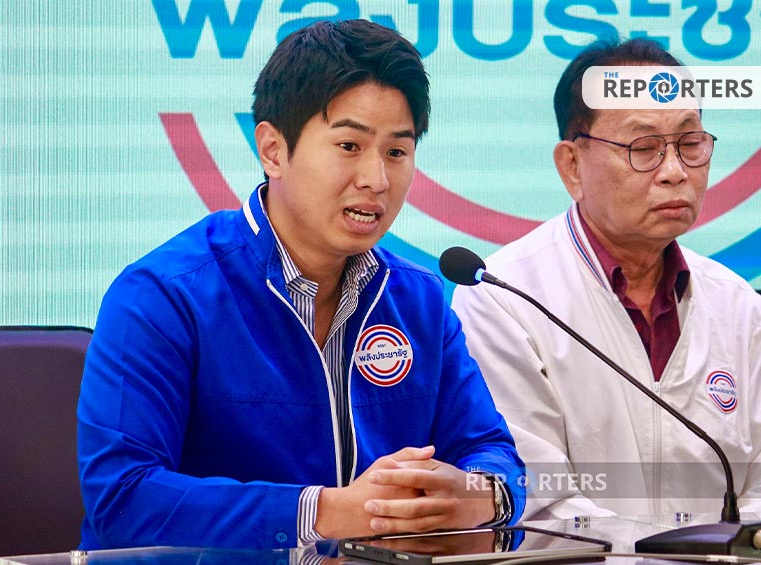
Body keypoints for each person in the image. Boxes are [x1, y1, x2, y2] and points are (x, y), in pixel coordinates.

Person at [78, 19, 525, 551]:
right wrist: (329, 514)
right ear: (273, 149)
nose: (376, 180)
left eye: (396, 152)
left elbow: (494, 452)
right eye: (349, 145)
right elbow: (123, 498)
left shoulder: (419, 299)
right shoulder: (164, 296)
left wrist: (478, 496)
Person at [452, 37, 761, 520]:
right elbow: (535, 497)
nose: (675, 172)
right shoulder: (505, 299)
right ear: (572, 166)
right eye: (644, 148)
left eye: (689, 144)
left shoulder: (739, 305)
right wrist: (666, 550)